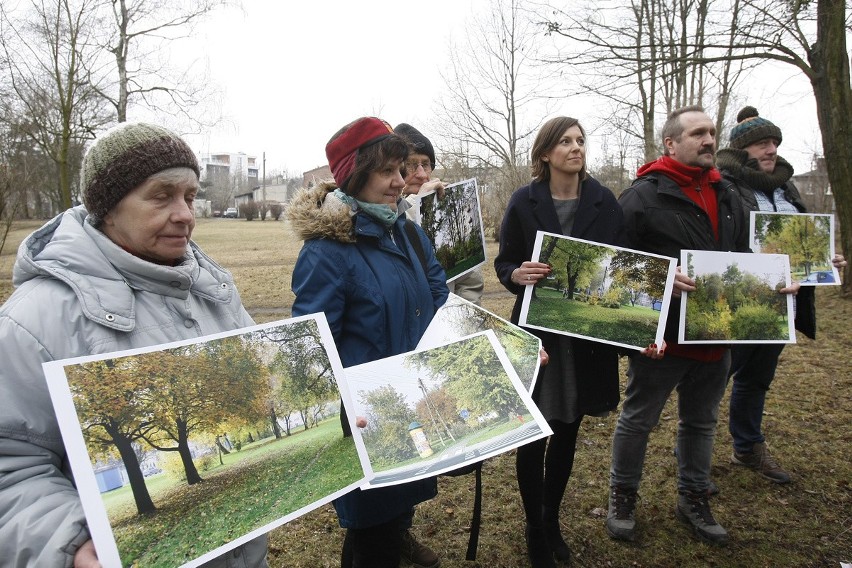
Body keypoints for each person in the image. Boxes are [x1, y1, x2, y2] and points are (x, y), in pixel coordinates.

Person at [0, 123, 268, 567]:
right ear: (107, 208)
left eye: (190, 195)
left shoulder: (213, 288)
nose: (184, 213)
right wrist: (67, 541)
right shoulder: (34, 320)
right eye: (162, 196)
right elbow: (11, 468)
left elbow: (261, 384)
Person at [288, 117, 449, 568]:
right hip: (367, 417)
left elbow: (438, 295)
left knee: (392, 515)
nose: (401, 182)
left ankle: (396, 538)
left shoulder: (407, 232)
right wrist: (350, 401)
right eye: (388, 172)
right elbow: (312, 345)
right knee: (372, 528)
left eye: (403, 170)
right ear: (354, 175)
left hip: (414, 399)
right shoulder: (327, 249)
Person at [605, 106, 756, 547]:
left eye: (711, 132)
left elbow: (752, 255)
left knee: (702, 422)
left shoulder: (730, 194)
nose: (708, 140)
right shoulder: (641, 197)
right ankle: (623, 495)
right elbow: (615, 267)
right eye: (697, 134)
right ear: (671, 143)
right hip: (663, 339)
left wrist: (795, 273)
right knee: (638, 421)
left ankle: (694, 497)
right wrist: (662, 282)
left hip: (717, 335)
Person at [495, 116, 630, 567]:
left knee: (569, 427)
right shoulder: (523, 201)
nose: (576, 148)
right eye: (565, 142)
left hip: (588, 339)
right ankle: (535, 529)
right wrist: (515, 274)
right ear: (545, 154)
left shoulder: (605, 202)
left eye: (580, 141)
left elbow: (623, 266)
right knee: (535, 433)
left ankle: (552, 519)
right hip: (540, 334)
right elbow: (506, 261)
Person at [715, 106, 847, 484]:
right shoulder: (725, 186)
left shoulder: (788, 187)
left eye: (774, 142)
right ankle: (693, 452)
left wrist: (823, 259)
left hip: (783, 302)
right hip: (739, 298)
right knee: (718, 377)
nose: (771, 149)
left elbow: (802, 240)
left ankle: (747, 446)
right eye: (761, 143)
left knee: (756, 379)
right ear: (742, 150)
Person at [395, 123, 485, 305]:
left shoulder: (448, 201)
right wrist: (418, 203)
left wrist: (460, 321)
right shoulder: (382, 209)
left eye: (426, 165)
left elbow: (469, 282)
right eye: (412, 165)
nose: (421, 175)